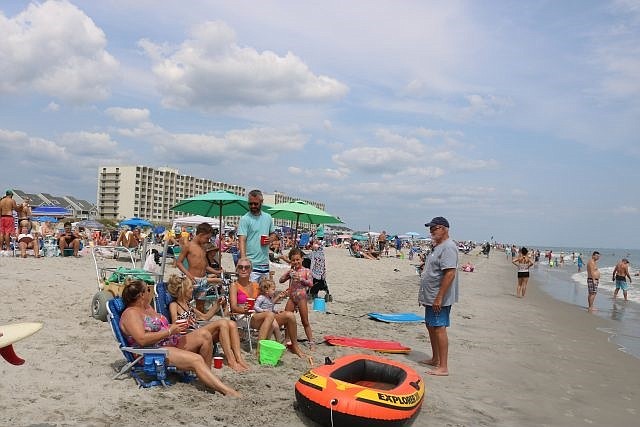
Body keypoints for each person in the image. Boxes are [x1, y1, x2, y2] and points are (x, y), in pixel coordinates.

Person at [118, 279, 239, 396]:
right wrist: (170, 331)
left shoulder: (147, 308)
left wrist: (177, 326)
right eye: (148, 290)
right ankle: (227, 391)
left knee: (205, 336)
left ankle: (207, 377)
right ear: (141, 295)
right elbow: (142, 339)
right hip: (153, 351)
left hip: (168, 342)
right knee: (196, 359)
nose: (150, 292)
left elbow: (160, 327)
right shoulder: (131, 314)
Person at [166, 274, 249, 372]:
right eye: (190, 288)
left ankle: (239, 358)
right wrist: (186, 322)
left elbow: (204, 317)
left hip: (197, 331)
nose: (192, 289)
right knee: (222, 323)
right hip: (189, 336)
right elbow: (175, 323)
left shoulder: (188, 305)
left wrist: (217, 305)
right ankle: (231, 361)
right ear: (183, 291)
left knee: (231, 324)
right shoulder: (174, 305)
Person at [229, 257, 306, 359]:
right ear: (237, 269)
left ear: (251, 270)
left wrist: (276, 305)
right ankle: (260, 350)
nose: (243, 269)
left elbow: (266, 301)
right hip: (244, 316)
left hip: (260, 314)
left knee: (289, 315)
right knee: (269, 315)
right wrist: (244, 310)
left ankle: (295, 347)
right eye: (240, 267)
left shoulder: (256, 285)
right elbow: (233, 307)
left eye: (247, 267)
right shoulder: (234, 286)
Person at [418, 216, 459, 376]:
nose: (431, 231)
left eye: (434, 228)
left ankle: (443, 366)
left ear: (444, 229)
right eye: (430, 228)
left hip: (438, 297)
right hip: (431, 296)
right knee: (430, 325)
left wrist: (439, 297)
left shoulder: (448, 247)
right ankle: (435, 359)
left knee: (439, 327)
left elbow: (450, 274)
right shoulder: (438, 246)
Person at [238, 189, 277, 283]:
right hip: (251, 264)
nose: (253, 206)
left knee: (264, 294)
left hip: (264, 264)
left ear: (261, 202)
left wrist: (270, 239)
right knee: (250, 294)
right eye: (250, 204)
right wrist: (243, 259)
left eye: (256, 204)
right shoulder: (245, 219)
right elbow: (242, 240)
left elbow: (273, 234)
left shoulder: (268, 217)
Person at [176, 223, 215, 313]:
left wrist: (217, 272)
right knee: (186, 303)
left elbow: (205, 266)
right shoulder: (188, 246)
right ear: (200, 235)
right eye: (207, 238)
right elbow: (178, 263)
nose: (207, 241)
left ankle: (198, 324)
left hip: (203, 280)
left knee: (201, 306)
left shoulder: (203, 248)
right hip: (192, 279)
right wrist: (188, 275)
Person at [279, 248, 314, 345]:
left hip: (301, 298)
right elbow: (280, 280)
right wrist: (288, 274)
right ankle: (287, 339)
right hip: (292, 298)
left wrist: (301, 279)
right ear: (291, 261)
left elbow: (310, 283)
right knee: (287, 318)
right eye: (293, 260)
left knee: (305, 321)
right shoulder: (291, 271)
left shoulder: (306, 271)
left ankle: (311, 341)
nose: (296, 262)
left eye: (298, 259)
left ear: (302, 259)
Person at [254, 277, 288, 343]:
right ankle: (278, 341)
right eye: (273, 289)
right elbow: (255, 307)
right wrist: (262, 310)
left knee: (274, 327)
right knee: (275, 326)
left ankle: (275, 341)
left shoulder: (270, 298)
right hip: (263, 316)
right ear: (266, 291)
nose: (274, 291)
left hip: (270, 316)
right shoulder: (261, 298)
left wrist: (276, 311)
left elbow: (271, 306)